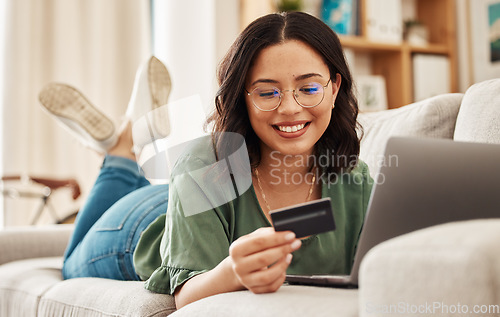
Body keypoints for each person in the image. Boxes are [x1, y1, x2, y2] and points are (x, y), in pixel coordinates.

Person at [40, 11, 373, 310]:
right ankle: (119, 151)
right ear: (243, 98)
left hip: (189, 199)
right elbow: (184, 296)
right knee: (70, 265)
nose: (289, 108)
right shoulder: (204, 163)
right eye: (267, 92)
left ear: (333, 88)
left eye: (309, 88)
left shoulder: (355, 179)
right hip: (138, 226)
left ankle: (126, 137)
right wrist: (231, 273)